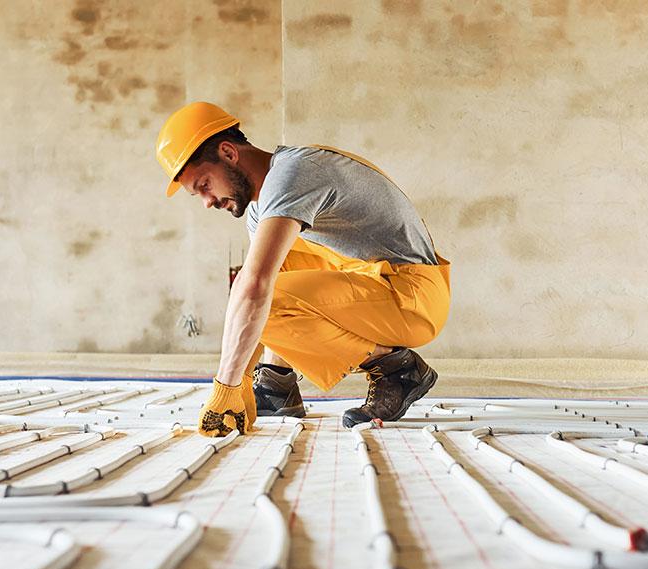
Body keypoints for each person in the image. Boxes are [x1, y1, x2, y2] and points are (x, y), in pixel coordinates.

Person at [154, 102, 451, 435]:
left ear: (228, 152)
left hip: (414, 296)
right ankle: (276, 383)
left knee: (262, 290)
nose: (207, 202)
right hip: (377, 283)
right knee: (268, 270)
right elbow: (253, 292)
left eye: (205, 185)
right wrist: (243, 383)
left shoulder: (292, 175)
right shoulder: (263, 204)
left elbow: (256, 290)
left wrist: (227, 388)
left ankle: (397, 370)